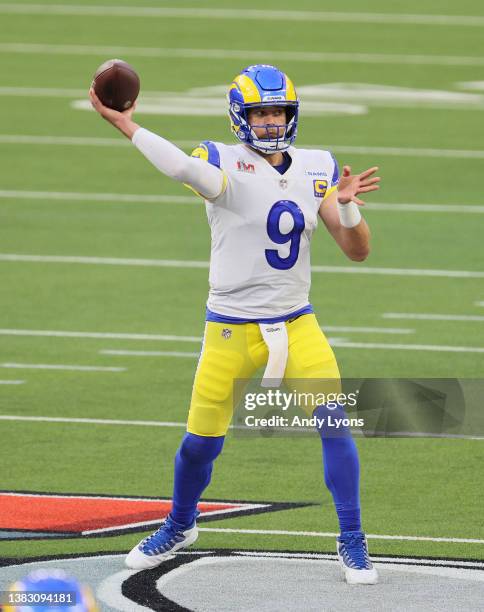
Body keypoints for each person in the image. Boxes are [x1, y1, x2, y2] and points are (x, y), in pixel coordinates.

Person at [89, 64, 380, 585]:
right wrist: (124, 123)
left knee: (335, 425)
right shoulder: (219, 160)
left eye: (278, 112)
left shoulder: (318, 166)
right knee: (200, 442)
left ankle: (352, 539)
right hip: (230, 328)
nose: (271, 122)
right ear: (240, 117)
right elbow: (180, 167)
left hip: (296, 324)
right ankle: (180, 524)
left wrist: (348, 209)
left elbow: (357, 252)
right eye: (261, 112)